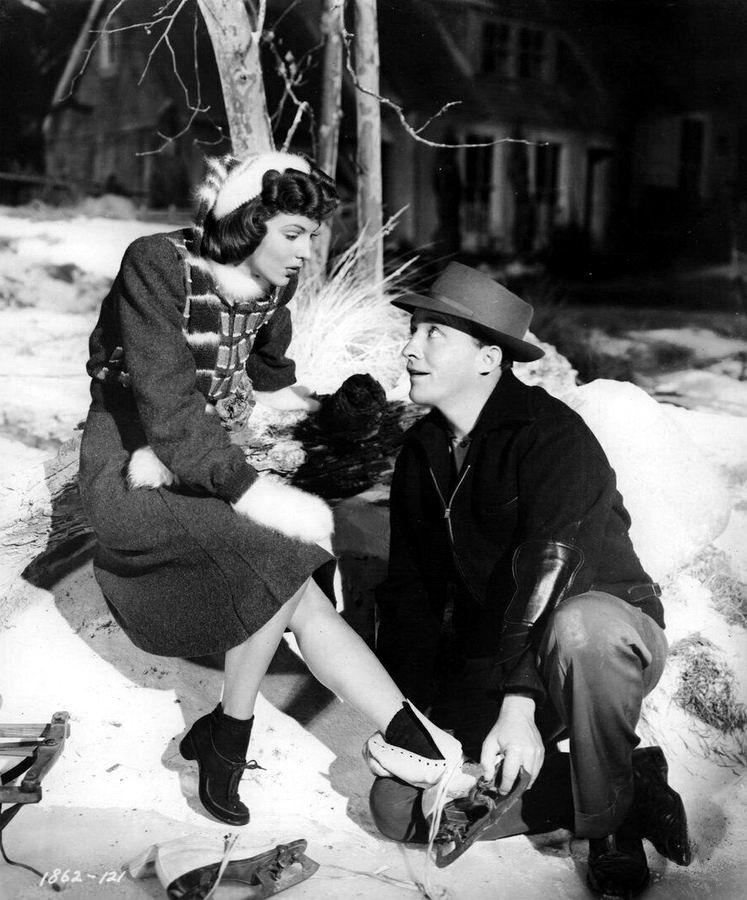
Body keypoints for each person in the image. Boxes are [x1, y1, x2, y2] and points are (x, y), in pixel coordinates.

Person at [78, 151, 465, 827]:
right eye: (293, 233)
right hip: (131, 466)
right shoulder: (158, 264)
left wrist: (331, 410)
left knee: (294, 582)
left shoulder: (270, 289)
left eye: (312, 236)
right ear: (247, 220)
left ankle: (412, 740)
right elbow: (169, 416)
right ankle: (236, 733)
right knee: (278, 552)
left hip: (209, 462)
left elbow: (268, 381)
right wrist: (257, 494)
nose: (306, 252)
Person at [368, 262, 691, 897]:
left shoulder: (553, 436)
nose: (409, 349)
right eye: (413, 331)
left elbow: (552, 571)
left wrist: (518, 706)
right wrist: (409, 718)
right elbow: (411, 594)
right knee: (397, 811)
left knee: (581, 628)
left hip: (599, 641)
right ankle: (627, 782)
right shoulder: (422, 452)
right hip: (504, 653)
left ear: (489, 358)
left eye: (434, 334)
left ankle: (610, 825)